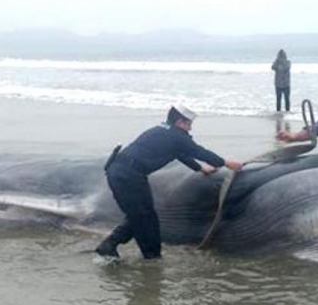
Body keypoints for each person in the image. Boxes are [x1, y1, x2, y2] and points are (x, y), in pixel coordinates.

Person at [96, 105, 243, 259]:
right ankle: (150, 257)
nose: (190, 128)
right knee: (145, 217)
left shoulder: (163, 131)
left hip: (121, 172)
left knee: (140, 215)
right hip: (128, 175)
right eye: (188, 124)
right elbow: (198, 151)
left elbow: (179, 153)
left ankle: (112, 245)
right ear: (180, 122)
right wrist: (226, 162)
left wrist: (199, 168)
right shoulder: (176, 136)